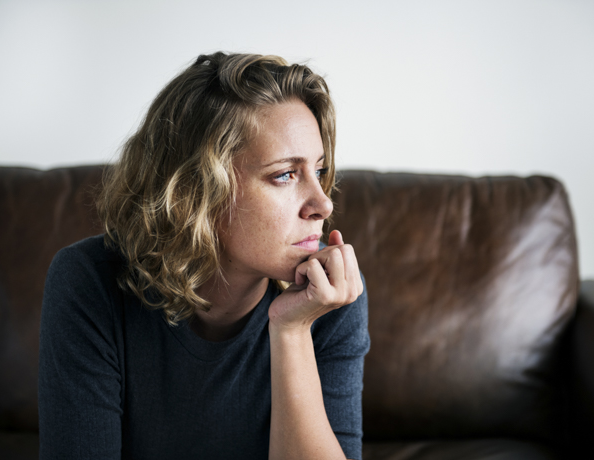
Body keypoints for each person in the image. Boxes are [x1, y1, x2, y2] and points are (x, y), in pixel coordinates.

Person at [38, 52, 370, 460]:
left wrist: (292, 331)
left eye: (318, 171)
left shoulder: (330, 293)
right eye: (285, 174)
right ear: (196, 191)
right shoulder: (89, 282)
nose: (323, 204)